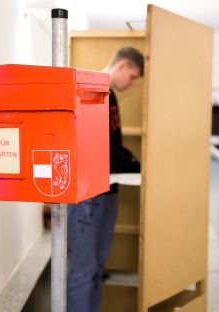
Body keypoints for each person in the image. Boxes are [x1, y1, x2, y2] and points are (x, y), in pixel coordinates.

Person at [67, 46, 144, 312]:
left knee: (97, 270)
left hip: (108, 193)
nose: (132, 84)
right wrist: (133, 165)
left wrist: (135, 164)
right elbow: (95, 148)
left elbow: (114, 145)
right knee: (82, 273)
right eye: (133, 76)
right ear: (121, 65)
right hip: (89, 197)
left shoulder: (110, 96)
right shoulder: (91, 92)